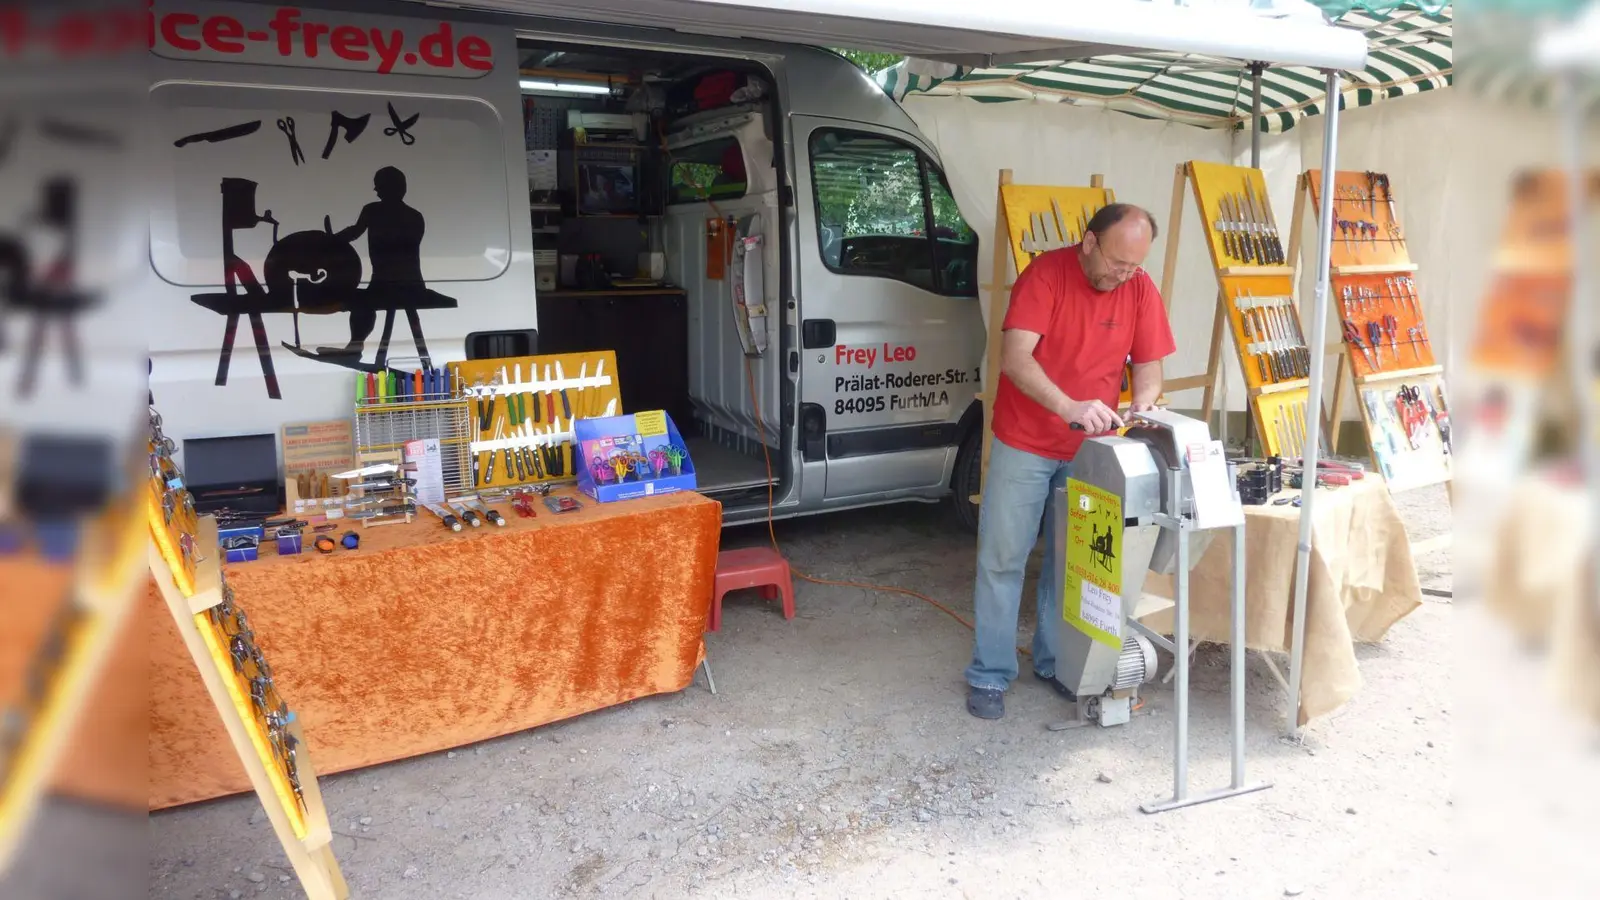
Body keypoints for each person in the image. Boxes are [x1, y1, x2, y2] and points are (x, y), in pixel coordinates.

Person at [965, 202, 1176, 720]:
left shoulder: (1139, 287)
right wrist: (1069, 408)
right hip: (1026, 441)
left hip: (1091, 452)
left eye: (1133, 266)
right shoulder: (1045, 276)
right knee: (1003, 558)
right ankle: (990, 674)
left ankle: (1057, 663)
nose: (1123, 275)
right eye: (1116, 263)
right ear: (1088, 242)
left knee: (1074, 567)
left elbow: (1149, 366)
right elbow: (1015, 358)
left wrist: (1143, 407)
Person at [321, 166, 426, 358]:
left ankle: (355, 347)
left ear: (389, 187)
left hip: (389, 282)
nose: (375, 190)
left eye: (379, 186)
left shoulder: (373, 210)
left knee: (360, 301)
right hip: (410, 282)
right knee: (363, 301)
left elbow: (355, 231)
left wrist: (333, 240)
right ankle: (355, 347)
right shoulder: (415, 215)